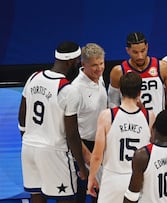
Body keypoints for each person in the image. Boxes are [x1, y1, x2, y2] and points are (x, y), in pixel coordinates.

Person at [17, 41, 87, 203]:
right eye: (78, 61)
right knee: (66, 198)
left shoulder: (33, 77)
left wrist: (28, 138)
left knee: (36, 195)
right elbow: (71, 133)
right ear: (71, 62)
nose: (79, 65)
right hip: (54, 151)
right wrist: (81, 166)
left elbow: (22, 116)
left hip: (28, 147)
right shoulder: (68, 90)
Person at [87, 72, 155, 202]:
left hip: (113, 178)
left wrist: (92, 178)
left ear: (120, 91)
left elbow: (97, 155)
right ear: (140, 92)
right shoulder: (149, 116)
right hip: (138, 179)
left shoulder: (107, 115)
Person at [108, 32, 167, 114]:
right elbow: (112, 102)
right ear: (127, 50)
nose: (140, 56)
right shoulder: (119, 72)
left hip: (157, 123)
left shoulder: (162, 67)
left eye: (143, 51)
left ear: (147, 47)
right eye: (135, 52)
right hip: (132, 123)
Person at [72, 43, 107, 203]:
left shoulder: (100, 79)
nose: (99, 68)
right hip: (83, 146)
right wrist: (86, 156)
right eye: (94, 65)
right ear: (83, 64)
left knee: (99, 191)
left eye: (101, 63)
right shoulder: (75, 89)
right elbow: (70, 127)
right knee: (82, 191)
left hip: (100, 144)